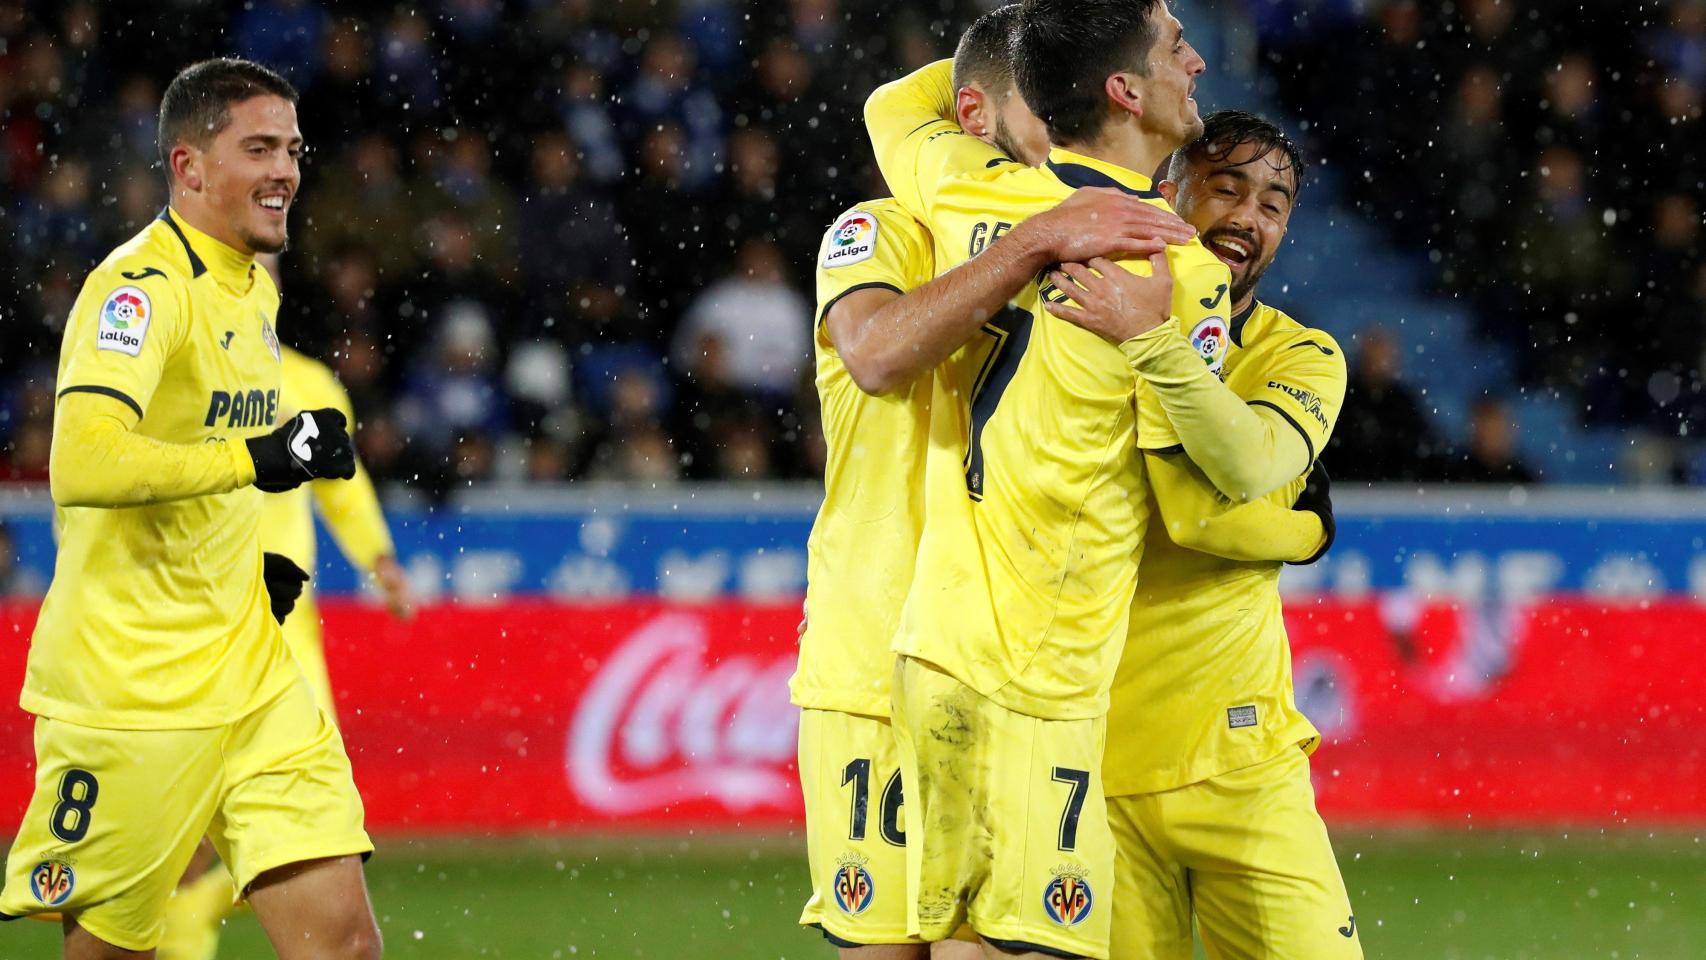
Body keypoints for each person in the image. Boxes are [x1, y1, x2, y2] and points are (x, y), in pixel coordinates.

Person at [862, 2, 1316, 955]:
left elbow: (893, 107)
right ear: (1124, 89)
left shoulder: (965, 189)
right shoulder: (1168, 267)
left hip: (935, 642)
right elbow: (1199, 496)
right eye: (1169, 46)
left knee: (957, 937)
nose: (1194, 59)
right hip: (1043, 668)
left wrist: (1046, 34)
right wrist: (1304, 528)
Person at [793, 8, 1197, 956]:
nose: (1060, 120)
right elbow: (881, 356)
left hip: (989, 657)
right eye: (1036, 97)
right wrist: (1036, 236)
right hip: (869, 663)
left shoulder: (1083, 245)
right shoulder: (878, 230)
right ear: (974, 113)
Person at [0, 58, 381, 960]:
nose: (285, 169)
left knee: (345, 946)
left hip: (252, 674)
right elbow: (84, 459)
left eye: (292, 148)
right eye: (258, 148)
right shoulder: (139, 290)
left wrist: (247, 560)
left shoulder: (250, 291)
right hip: (133, 690)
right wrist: (255, 456)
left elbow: (197, 472)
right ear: (190, 167)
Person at [1068, 111, 1362, 959]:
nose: (1248, 216)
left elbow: (1234, 468)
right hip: (1095, 763)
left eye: (1273, 202)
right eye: (1225, 188)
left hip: (1241, 760)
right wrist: (1300, 531)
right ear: (1169, 193)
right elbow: (1200, 513)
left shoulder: (1302, 356)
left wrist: (1149, 344)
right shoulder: (1084, 326)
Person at [157, 258, 415, 960]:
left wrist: (379, 559)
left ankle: (186, 919)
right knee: (182, 827)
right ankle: (180, 918)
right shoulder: (178, 371)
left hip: (283, 631)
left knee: (315, 825)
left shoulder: (307, 382)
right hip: (193, 624)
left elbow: (343, 481)